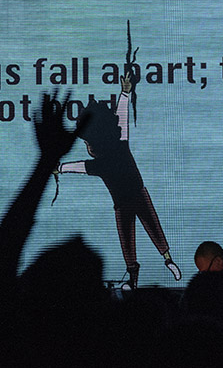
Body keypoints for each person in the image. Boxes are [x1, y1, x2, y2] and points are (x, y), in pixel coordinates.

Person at [55, 74, 180, 289]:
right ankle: (158, 264)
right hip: (132, 199)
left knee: (134, 239)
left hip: (129, 200)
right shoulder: (119, 146)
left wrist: (58, 168)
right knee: (144, 233)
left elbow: (77, 167)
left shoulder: (103, 161)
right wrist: (125, 93)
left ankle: (158, 264)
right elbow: (122, 119)